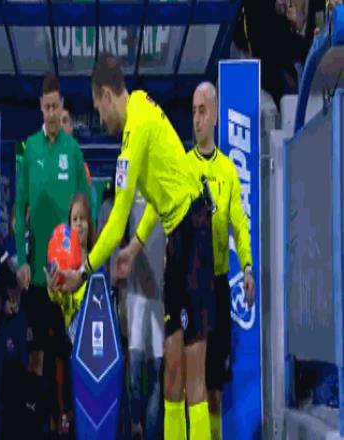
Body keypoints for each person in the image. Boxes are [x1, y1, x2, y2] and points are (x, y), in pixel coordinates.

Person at [61, 53, 214, 440]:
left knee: (193, 375)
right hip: (178, 236)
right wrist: (134, 248)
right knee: (172, 374)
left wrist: (83, 271)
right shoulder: (142, 106)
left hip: (194, 231)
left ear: (106, 95)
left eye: (98, 108)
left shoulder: (136, 131)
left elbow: (116, 221)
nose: (100, 119)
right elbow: (161, 195)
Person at [14, 72, 92, 435]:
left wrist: (84, 256)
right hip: (37, 278)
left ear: (62, 106)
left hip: (69, 279)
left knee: (68, 355)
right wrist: (21, 261)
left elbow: (88, 206)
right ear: (40, 107)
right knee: (37, 357)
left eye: (55, 107)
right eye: (46, 107)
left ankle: (70, 423)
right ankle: (37, 425)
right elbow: (19, 210)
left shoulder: (72, 152)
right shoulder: (29, 149)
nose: (50, 114)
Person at [187, 82, 255, 440]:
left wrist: (247, 267)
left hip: (216, 286)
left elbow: (240, 226)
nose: (197, 119)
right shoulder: (183, 167)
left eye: (202, 111)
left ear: (214, 116)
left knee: (214, 388)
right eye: (193, 111)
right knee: (192, 387)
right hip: (190, 288)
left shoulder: (228, 170)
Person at [46, 192, 96, 438]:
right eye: (74, 219)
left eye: (82, 219)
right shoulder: (62, 259)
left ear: (89, 223)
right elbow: (57, 297)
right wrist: (52, 287)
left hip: (94, 350)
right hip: (70, 350)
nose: (79, 224)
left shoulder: (96, 259)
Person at [125, 191, 165, 440]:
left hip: (160, 299)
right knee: (135, 370)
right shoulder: (132, 188)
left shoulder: (167, 190)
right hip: (135, 297)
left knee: (155, 370)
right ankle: (135, 424)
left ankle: (150, 431)